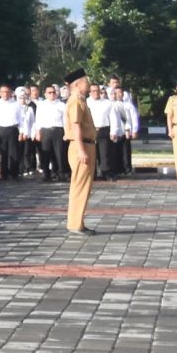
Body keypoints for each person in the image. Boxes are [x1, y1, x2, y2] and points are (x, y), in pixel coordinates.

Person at [62, 71, 98, 233]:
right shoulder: (76, 101)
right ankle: (75, 224)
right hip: (81, 146)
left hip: (86, 144)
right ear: (76, 84)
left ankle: (77, 222)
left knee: (84, 186)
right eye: (85, 82)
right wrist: (82, 150)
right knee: (80, 186)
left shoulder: (81, 100)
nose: (88, 85)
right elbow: (75, 126)